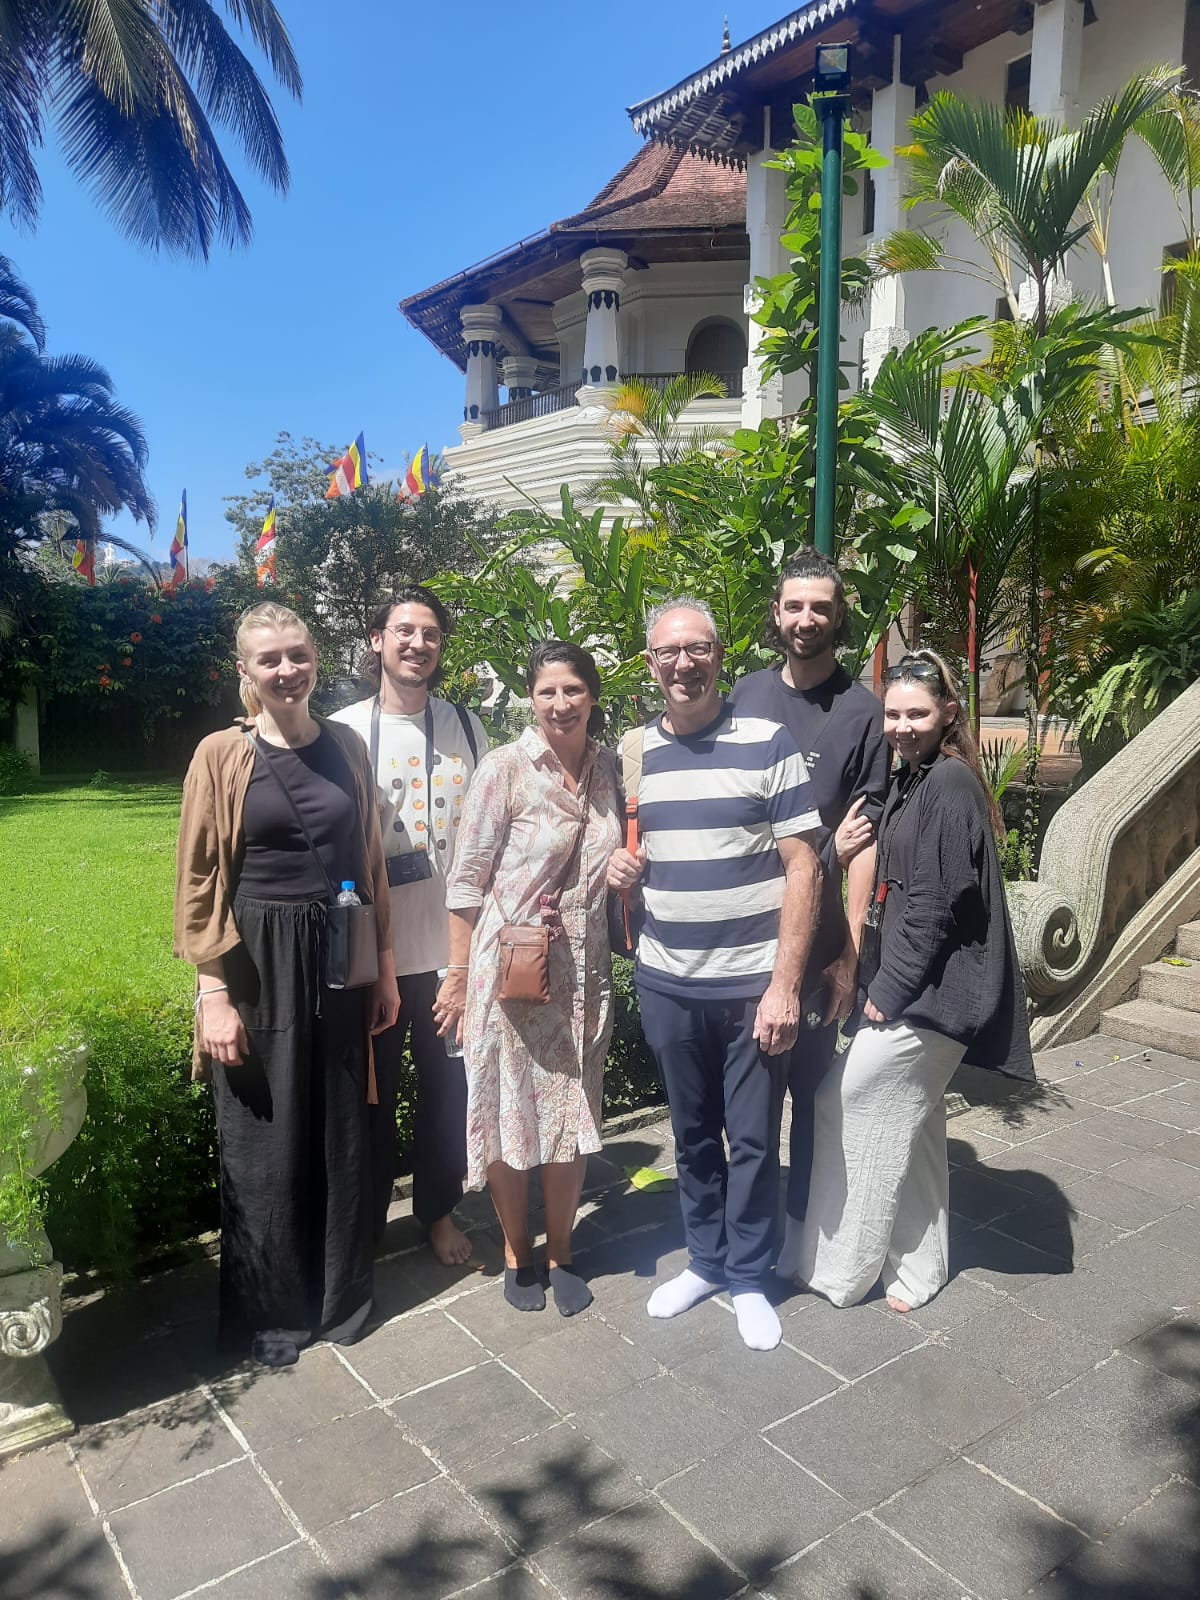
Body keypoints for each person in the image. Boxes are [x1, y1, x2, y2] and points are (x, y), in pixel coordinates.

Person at [174, 602, 400, 1367]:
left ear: (315, 657)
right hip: (256, 962)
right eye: (269, 659)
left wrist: (383, 970)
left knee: (341, 1131)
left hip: (339, 956)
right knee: (262, 1141)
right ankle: (269, 1312)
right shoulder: (221, 754)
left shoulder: (346, 747)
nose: (286, 670)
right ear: (244, 670)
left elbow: (369, 863)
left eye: (297, 654)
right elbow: (199, 880)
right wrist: (213, 995)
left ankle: (340, 1298)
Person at [782, 649, 1034, 1311]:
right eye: (892, 714)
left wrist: (887, 991)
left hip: (935, 997)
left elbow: (932, 905)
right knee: (916, 1128)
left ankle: (842, 1270)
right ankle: (920, 1270)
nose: (901, 726)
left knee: (843, 1102)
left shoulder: (946, 783)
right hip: (923, 990)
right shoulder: (914, 778)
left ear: (948, 712)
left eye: (916, 714)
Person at [607, 598, 823, 1352]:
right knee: (693, 1134)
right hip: (667, 980)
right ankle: (705, 1262)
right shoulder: (638, 753)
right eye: (669, 652)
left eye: (698, 649)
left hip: (750, 985)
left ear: (719, 656)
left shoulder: (767, 742)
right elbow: (629, 852)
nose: (684, 664)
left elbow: (805, 867)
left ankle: (750, 1277)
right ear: (651, 664)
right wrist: (622, 868)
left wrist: (784, 986)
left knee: (755, 1139)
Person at [436, 641, 621, 1317]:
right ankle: (519, 1251)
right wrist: (458, 977)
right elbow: (465, 883)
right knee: (508, 1110)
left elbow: (616, 855)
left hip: (584, 976)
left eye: (573, 690)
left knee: (573, 1111)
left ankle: (562, 1250)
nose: (560, 704)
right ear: (531, 698)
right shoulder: (504, 769)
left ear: (592, 696)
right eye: (547, 691)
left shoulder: (609, 768)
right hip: (512, 974)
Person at [731, 550, 889, 1230]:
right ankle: (755, 1235)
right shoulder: (744, 695)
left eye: (820, 607)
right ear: (776, 613)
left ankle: (806, 1233)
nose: (806, 618)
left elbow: (864, 841)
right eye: (794, 605)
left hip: (819, 940)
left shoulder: (863, 712)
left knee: (813, 1098)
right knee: (751, 1102)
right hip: (743, 938)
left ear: (838, 615)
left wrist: (850, 953)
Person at [330, 586, 488, 1264]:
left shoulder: (468, 729)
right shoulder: (341, 732)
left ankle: (438, 1213)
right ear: (377, 640)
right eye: (404, 631)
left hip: (453, 953)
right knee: (372, 1093)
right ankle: (364, 1226)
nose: (418, 644)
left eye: (430, 633)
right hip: (378, 956)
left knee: (447, 1092)